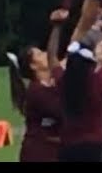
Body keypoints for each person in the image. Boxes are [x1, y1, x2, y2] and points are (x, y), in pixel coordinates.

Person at [57, 13, 102, 162]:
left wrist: (56, 28)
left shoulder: (63, 82)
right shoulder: (98, 81)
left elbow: (52, 58)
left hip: (68, 149)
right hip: (95, 148)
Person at [7, 24, 64, 162]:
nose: (46, 54)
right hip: (39, 152)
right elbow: (61, 110)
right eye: (39, 54)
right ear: (33, 65)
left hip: (52, 151)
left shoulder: (50, 84)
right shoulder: (36, 91)